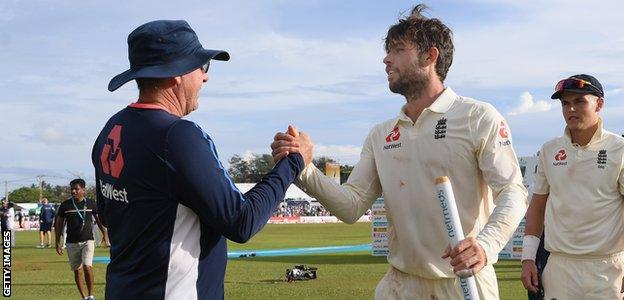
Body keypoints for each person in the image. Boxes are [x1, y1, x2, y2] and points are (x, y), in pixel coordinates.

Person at [272, 4, 528, 299]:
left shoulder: (477, 117)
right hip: (400, 286)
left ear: (430, 56)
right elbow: (351, 205)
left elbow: (512, 192)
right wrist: (304, 168)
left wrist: (486, 244)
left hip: (464, 284)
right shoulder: (381, 134)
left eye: (397, 49)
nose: (386, 59)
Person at [92, 20, 312, 299]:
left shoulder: (111, 130)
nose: (205, 77)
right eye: (201, 66)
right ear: (176, 74)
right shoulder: (177, 136)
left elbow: (108, 216)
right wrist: (294, 161)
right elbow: (242, 222)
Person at [521, 74, 624, 299]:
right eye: (565, 103)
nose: (571, 109)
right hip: (560, 266)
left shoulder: (619, 149)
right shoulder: (550, 150)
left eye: (580, 102)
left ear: (600, 104)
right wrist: (528, 257)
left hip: (607, 268)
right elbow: (537, 206)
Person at [55, 179, 108, 300]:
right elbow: (59, 223)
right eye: (72, 189)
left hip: (88, 240)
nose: (73, 191)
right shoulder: (65, 205)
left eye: (76, 189)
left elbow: (98, 219)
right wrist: (57, 242)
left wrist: (104, 233)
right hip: (71, 243)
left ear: (83, 190)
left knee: (87, 266)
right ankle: (84, 297)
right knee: (77, 271)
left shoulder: (90, 203)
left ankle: (91, 295)